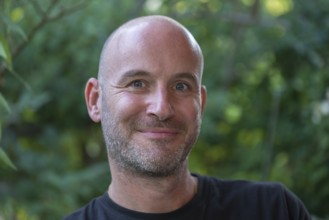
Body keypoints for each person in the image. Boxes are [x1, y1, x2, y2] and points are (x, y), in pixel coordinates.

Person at [64, 15, 311, 220]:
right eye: (137, 83)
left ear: (200, 103)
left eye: (181, 86)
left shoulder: (272, 210)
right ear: (95, 100)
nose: (162, 108)